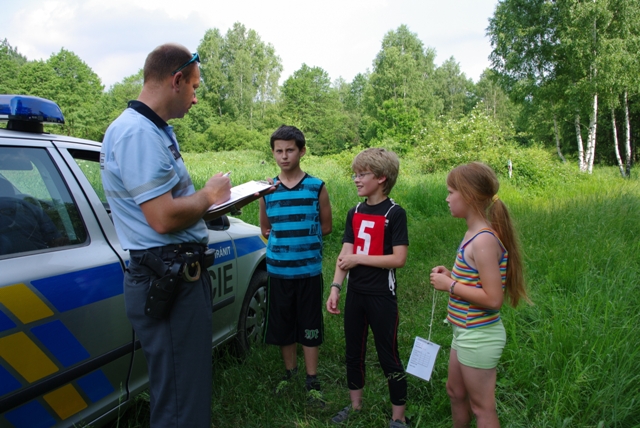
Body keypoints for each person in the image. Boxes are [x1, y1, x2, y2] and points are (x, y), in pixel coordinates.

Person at [100, 44, 233, 428]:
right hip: (169, 278)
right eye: (194, 86)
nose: (195, 97)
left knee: (179, 389)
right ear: (176, 80)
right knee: (180, 405)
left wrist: (211, 206)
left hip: (173, 274)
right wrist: (209, 195)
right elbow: (161, 218)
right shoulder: (136, 133)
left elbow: (169, 206)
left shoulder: (151, 129)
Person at [429, 162, 529, 428]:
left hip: (480, 335)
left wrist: (449, 285)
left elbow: (493, 299)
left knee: (482, 407)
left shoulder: (483, 239)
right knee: (455, 391)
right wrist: (452, 275)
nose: (447, 198)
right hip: (464, 331)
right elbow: (476, 281)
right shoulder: (472, 233)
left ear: (470, 196)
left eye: (451, 192)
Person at [326, 148, 410, 428]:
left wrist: (358, 259)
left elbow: (398, 258)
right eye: (355, 174)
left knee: (389, 355)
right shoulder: (355, 212)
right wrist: (336, 287)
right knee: (354, 351)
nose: (356, 179)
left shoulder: (395, 213)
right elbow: (344, 253)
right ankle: (355, 405)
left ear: (382, 178)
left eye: (362, 174)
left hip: (382, 296)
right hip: (356, 295)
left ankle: (398, 418)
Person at [259, 125, 332, 403]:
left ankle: (312, 378)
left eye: (290, 150)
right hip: (278, 271)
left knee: (310, 324)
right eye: (279, 151)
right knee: (283, 324)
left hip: (308, 271)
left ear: (302, 151)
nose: (284, 156)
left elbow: (326, 226)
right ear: (273, 153)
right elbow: (265, 228)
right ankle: (290, 373)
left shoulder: (317, 187)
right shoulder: (267, 190)